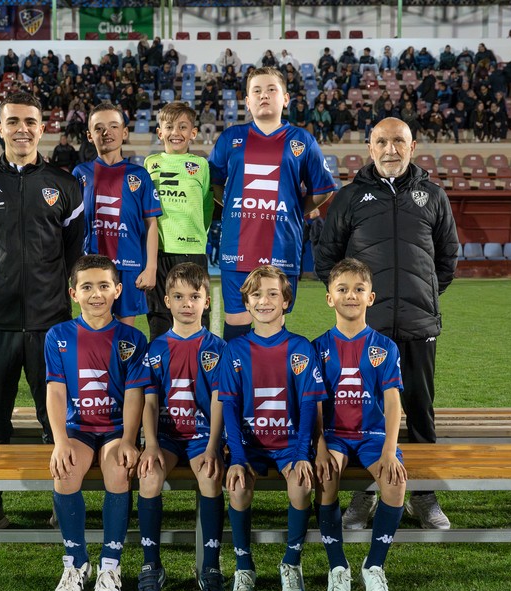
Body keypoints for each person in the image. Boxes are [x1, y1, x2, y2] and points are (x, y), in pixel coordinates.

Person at [314, 117, 459, 531]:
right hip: (366, 332)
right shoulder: (349, 197)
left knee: (420, 411)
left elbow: (447, 258)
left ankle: (424, 496)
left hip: (417, 326)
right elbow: (327, 259)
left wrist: (422, 295)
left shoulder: (433, 196)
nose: (390, 149)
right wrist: (357, 309)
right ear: (369, 147)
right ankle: (365, 494)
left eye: (398, 141)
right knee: (361, 412)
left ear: (413, 147)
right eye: (382, 141)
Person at [0, 90, 85, 529]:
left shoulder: (65, 184)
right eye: (13, 122)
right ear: (0, 128)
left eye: (30, 121)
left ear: (42, 128)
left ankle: (61, 504)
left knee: (55, 420)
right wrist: (0, 280)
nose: (21, 129)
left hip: (51, 325)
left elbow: (73, 253)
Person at [218, 265, 326, 591]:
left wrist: (301, 453)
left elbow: (308, 406)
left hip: (289, 447)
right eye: (256, 295)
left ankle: (291, 562)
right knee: (237, 487)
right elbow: (230, 406)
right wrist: (237, 458)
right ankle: (244, 566)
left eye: (272, 294)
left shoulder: (300, 347)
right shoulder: (235, 350)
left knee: (301, 484)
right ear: (246, 303)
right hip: (249, 448)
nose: (264, 301)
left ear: (286, 301)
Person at [46, 254, 149, 591]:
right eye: (87, 287)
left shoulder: (132, 338)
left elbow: (135, 395)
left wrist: (129, 439)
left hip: (116, 429)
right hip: (79, 429)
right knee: (65, 470)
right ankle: (76, 563)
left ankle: (110, 565)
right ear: (73, 293)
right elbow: (56, 391)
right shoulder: (59, 336)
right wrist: (60, 441)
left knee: (119, 469)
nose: (96, 294)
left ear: (117, 290)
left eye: (104, 286)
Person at [209, 66, 337, 342]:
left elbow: (323, 189)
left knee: (272, 324)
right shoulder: (231, 138)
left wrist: (294, 210)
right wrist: (230, 203)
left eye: (271, 90)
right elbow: (213, 182)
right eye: (256, 91)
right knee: (237, 325)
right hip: (237, 248)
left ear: (285, 98)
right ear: (247, 101)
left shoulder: (302, 140)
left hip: (281, 248)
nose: (264, 95)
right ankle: (236, 373)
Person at [313, 258, 406, 591]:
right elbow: (313, 404)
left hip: (372, 435)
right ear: (329, 298)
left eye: (358, 289)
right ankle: (337, 566)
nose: (350, 295)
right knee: (326, 476)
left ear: (371, 297)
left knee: (395, 482)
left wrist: (389, 450)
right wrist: (320, 445)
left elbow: (393, 403)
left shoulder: (384, 346)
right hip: (334, 434)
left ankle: (374, 565)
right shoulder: (318, 347)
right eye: (342, 289)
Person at [136, 262, 227, 591]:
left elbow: (219, 400)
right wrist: (151, 444)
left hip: (202, 436)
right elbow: (149, 401)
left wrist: (213, 446)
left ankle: (211, 568)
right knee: (149, 476)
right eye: (178, 297)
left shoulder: (217, 348)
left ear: (207, 301)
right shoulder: (156, 348)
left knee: (210, 476)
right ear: (166, 301)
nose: (187, 304)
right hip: (167, 437)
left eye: (194, 296)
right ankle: (151, 566)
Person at [73, 102, 161, 329]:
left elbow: (151, 224)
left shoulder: (139, 175)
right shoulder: (80, 174)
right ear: (90, 136)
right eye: (99, 128)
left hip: (129, 266)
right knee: (94, 329)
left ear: (124, 132)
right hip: (92, 266)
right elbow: (72, 225)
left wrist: (151, 267)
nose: (107, 132)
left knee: (125, 334)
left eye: (113, 126)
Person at [143, 101, 214, 339]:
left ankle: (199, 361)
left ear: (193, 133)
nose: (176, 132)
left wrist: (195, 233)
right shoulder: (150, 163)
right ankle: (161, 362)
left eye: (183, 127)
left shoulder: (201, 165)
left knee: (196, 315)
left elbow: (206, 207)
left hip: (192, 251)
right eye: (170, 127)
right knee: (160, 317)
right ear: (159, 132)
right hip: (160, 252)